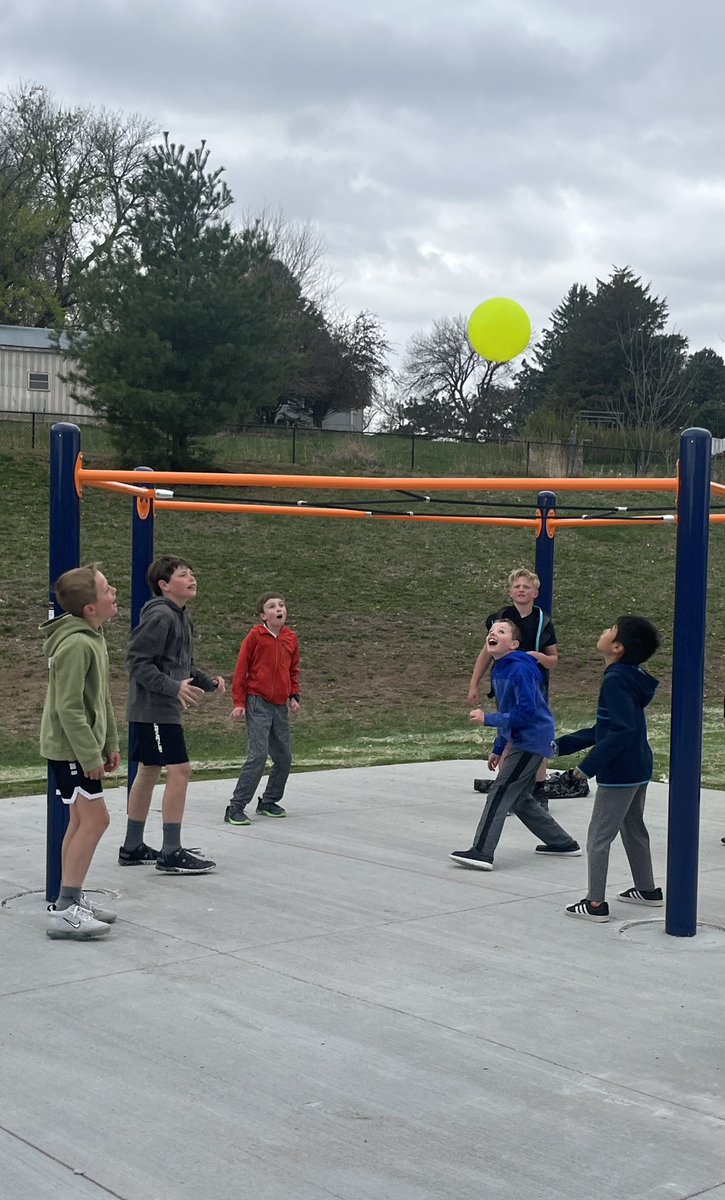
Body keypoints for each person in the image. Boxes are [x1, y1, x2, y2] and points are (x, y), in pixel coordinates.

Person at [120, 555, 225, 875]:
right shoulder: (161, 616)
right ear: (164, 585)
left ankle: (133, 847)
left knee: (149, 770)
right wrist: (171, 688)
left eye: (192, 573)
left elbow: (179, 664)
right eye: (183, 574)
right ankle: (170, 851)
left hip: (162, 708)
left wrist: (207, 682)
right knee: (181, 770)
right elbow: (137, 661)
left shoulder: (180, 616)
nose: (191, 578)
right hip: (155, 709)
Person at [450, 619, 581, 871]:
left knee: (501, 791)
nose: (493, 633)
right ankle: (563, 843)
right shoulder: (500, 669)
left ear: (514, 644)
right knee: (519, 798)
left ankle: (482, 851)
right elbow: (509, 710)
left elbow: (527, 713)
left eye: (501, 631)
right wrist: (499, 747)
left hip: (533, 739)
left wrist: (487, 719)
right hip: (523, 737)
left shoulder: (520, 669)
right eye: (491, 631)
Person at [558, 615, 662, 922]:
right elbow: (609, 726)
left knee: (598, 837)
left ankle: (595, 904)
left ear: (616, 647)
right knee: (633, 828)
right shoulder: (630, 675)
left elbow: (620, 731)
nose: (603, 631)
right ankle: (647, 890)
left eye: (610, 630)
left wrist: (585, 769)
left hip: (619, 771)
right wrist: (562, 745)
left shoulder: (615, 678)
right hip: (638, 764)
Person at [41, 565, 121, 939]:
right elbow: (68, 708)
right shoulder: (75, 643)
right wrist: (90, 755)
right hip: (70, 748)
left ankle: (70, 898)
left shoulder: (93, 637)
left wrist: (111, 745)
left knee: (80, 821)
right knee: (95, 820)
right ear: (91, 607)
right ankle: (64, 909)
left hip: (81, 747)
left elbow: (100, 699)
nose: (114, 591)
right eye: (107, 589)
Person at [468, 567, 559, 803]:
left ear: (535, 593)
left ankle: (538, 790)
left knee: (532, 732)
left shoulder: (542, 621)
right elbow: (486, 652)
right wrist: (474, 682)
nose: (521, 590)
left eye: (526, 587)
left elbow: (553, 659)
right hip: (506, 682)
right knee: (508, 730)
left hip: (531, 682)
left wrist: (537, 657)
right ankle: (507, 788)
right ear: (510, 591)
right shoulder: (501, 618)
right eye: (517, 586)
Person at [225, 593, 300, 825]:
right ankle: (235, 806)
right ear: (263, 615)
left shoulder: (290, 638)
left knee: (284, 757)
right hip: (257, 702)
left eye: (281, 605)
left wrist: (293, 695)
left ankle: (268, 801)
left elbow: (293, 670)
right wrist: (239, 703)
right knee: (258, 755)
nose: (279, 609)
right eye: (272, 606)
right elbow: (241, 670)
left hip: (280, 705)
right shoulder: (255, 637)